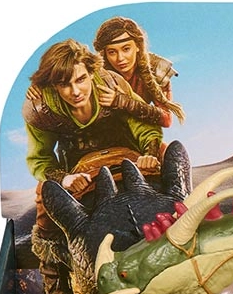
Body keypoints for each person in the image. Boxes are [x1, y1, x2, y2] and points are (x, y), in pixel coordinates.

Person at [24, 39, 163, 192]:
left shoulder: (112, 84)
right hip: (78, 173)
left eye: (80, 79)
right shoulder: (40, 110)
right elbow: (40, 158)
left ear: (91, 73)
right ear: (53, 85)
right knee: (43, 194)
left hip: (131, 158)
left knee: (167, 154)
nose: (76, 92)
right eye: (64, 84)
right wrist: (64, 178)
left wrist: (149, 155)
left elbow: (145, 126)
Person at [94, 16, 185, 127]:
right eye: (112, 52)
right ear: (105, 54)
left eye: (126, 49)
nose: (120, 58)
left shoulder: (156, 69)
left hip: (141, 131)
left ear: (137, 46)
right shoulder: (97, 75)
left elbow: (166, 119)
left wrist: (125, 102)